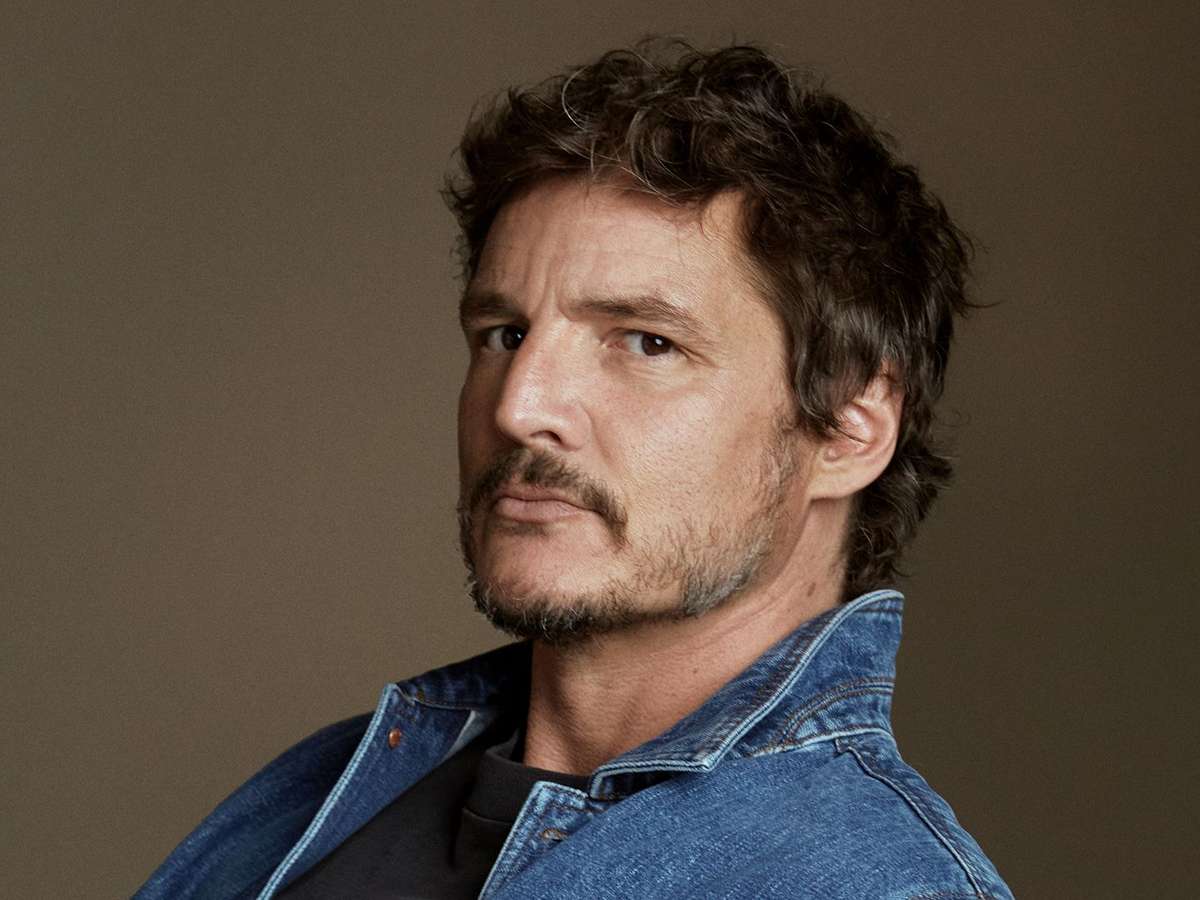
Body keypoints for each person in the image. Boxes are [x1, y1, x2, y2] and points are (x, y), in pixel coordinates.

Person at [137, 40, 1013, 899]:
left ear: (849, 431)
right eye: (504, 334)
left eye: (647, 342)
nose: (519, 407)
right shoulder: (317, 796)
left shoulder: (883, 887)